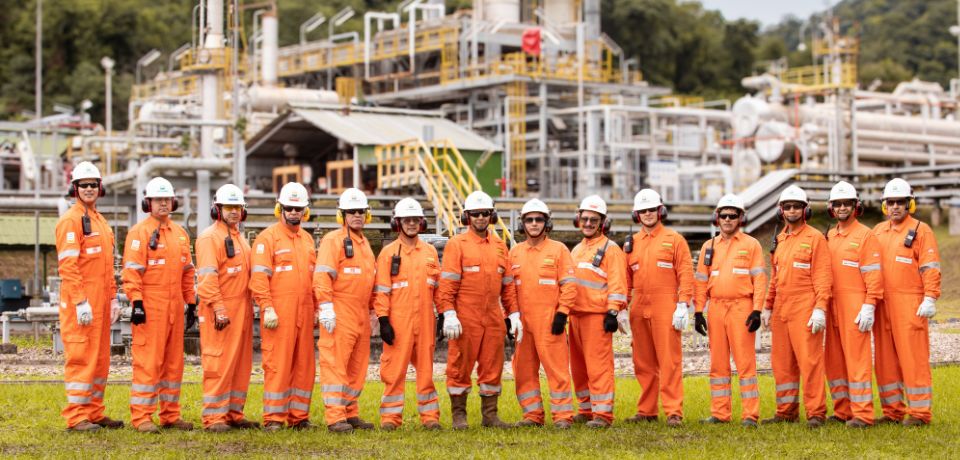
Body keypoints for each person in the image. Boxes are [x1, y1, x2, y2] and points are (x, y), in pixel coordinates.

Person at [436, 190, 519, 430]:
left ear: (491, 216)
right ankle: (459, 415)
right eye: (475, 214)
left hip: (493, 315)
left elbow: (508, 286)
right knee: (460, 365)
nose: (481, 217)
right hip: (465, 316)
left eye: (485, 213)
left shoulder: (500, 246)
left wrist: (513, 314)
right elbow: (447, 285)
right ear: (466, 217)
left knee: (492, 365)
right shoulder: (456, 244)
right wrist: (448, 313)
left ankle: (490, 416)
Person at [122, 177, 196, 433]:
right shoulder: (139, 233)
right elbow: (131, 272)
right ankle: (142, 417)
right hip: (150, 306)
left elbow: (188, 272)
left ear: (172, 201)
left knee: (174, 363)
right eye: (158, 200)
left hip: (175, 305)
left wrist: (191, 302)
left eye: (166, 200)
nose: (163, 204)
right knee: (148, 362)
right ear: (148, 203)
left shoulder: (180, 235)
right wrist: (137, 302)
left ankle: (170, 415)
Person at [55, 161, 123, 432]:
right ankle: (77, 416)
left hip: (100, 303)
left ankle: (94, 411)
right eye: (84, 185)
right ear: (75, 188)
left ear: (100, 188)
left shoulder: (99, 220)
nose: (89, 189)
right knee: (82, 357)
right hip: (80, 304)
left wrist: (113, 297)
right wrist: (81, 300)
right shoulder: (70, 221)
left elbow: (107, 267)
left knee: (99, 359)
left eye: (93, 184)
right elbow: (68, 267)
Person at [761, 185, 832, 427]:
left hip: (805, 304)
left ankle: (816, 413)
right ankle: (786, 411)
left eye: (797, 207)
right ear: (781, 210)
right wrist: (767, 306)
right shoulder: (780, 239)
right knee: (782, 362)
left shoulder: (815, 238)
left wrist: (820, 307)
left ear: (805, 210)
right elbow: (775, 276)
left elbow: (823, 276)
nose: (792, 210)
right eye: (788, 206)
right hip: (782, 306)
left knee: (809, 361)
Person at [693, 194, 766, 427]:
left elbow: (760, 280)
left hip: (741, 308)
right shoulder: (708, 246)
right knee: (718, 363)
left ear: (740, 218)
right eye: (723, 215)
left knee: (745, 363)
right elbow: (701, 280)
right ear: (717, 218)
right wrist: (697, 311)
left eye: (732, 215)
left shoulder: (751, 245)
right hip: (716, 308)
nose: (727, 219)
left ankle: (750, 415)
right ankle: (720, 413)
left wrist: (757, 310)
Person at [250, 182, 317, 431]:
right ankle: (274, 418)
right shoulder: (267, 239)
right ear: (281, 209)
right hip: (279, 314)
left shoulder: (307, 240)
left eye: (298, 208)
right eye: (290, 208)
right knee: (277, 365)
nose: (294, 212)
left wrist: (319, 309)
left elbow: (314, 279)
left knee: (304, 366)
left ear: (305, 211)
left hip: (305, 312)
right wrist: (267, 307)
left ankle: (298, 417)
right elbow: (258, 278)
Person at [623, 189, 694, 427]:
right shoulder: (630, 244)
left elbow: (685, 274)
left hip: (666, 306)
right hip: (639, 306)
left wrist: (683, 304)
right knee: (643, 362)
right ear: (636, 214)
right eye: (643, 211)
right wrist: (622, 306)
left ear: (660, 210)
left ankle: (674, 411)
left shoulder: (675, 240)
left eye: (651, 209)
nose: (648, 214)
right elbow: (625, 279)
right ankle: (647, 410)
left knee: (669, 360)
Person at [873, 178, 940, 426]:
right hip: (882, 304)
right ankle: (892, 411)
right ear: (884, 206)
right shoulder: (878, 231)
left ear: (909, 204)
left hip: (910, 304)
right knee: (885, 360)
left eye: (901, 202)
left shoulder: (922, 231)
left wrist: (930, 297)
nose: (895, 207)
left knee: (914, 359)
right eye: (891, 202)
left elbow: (930, 267)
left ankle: (920, 413)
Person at [373, 198, 441, 430]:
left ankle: (430, 418)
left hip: (425, 322)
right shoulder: (387, 253)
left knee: (426, 372)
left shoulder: (430, 252)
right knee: (393, 371)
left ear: (421, 223)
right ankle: (390, 419)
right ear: (397, 223)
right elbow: (381, 291)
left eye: (415, 220)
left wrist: (443, 316)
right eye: (406, 220)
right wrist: (383, 320)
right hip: (398, 322)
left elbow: (438, 289)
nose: (411, 224)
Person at [509, 199, 577, 429]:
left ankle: (563, 417)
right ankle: (532, 415)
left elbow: (569, 285)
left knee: (557, 370)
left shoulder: (558, 250)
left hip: (550, 322)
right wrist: (512, 316)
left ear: (546, 222)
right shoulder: (515, 252)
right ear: (523, 224)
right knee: (523, 370)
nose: (534, 223)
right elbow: (509, 290)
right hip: (523, 324)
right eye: (529, 219)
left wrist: (562, 313)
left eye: (539, 219)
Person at [195, 184, 258, 432]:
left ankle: (233, 413)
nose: (234, 212)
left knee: (240, 365)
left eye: (237, 207)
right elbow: (208, 278)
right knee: (218, 363)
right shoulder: (210, 238)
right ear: (217, 209)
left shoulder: (239, 238)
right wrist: (219, 309)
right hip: (220, 310)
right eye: (229, 207)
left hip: (242, 308)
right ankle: (214, 418)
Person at [314, 188, 377, 433]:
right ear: (343, 215)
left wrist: (372, 311)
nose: (357, 215)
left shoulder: (364, 245)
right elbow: (322, 276)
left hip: (360, 314)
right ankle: (335, 417)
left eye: (361, 211)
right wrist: (326, 306)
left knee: (357, 367)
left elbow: (370, 281)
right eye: (352, 212)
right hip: (339, 312)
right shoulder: (333, 240)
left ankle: (351, 412)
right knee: (336, 365)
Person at [822, 181, 882, 428]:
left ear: (856, 206)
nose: (842, 207)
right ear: (831, 208)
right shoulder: (830, 235)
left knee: (857, 361)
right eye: (838, 204)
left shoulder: (865, 235)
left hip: (854, 304)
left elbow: (874, 273)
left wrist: (870, 304)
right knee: (834, 361)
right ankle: (842, 410)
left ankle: (863, 414)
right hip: (832, 304)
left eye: (847, 203)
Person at [568, 195, 628, 428]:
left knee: (599, 367)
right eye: (585, 219)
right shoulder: (576, 249)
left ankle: (602, 415)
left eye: (594, 219)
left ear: (603, 222)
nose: (589, 223)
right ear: (578, 220)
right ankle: (586, 408)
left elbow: (617, 283)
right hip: (575, 316)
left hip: (597, 317)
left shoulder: (611, 249)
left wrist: (613, 312)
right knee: (579, 367)